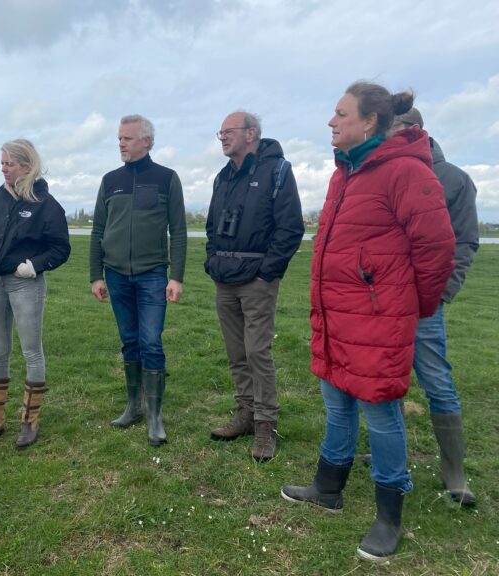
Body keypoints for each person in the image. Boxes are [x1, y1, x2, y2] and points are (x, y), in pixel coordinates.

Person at [280, 82, 455, 561]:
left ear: (369, 121)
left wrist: (403, 307)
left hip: (379, 320)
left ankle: (388, 516)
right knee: (336, 403)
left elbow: (437, 250)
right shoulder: (344, 173)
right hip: (337, 315)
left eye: (340, 114)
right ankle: (327, 488)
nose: (331, 123)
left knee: (380, 413)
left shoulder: (403, 171)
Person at [388, 108, 478, 506]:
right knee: (385, 380)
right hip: (381, 301)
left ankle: (453, 471)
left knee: (437, 381)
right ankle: (392, 453)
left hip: (424, 304)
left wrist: (441, 293)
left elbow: (465, 242)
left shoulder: (454, 179)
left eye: (390, 127)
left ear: (414, 130)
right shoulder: (380, 174)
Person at [205, 111, 304, 461]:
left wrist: (267, 272)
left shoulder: (277, 171)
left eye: (227, 131)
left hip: (257, 280)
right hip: (225, 279)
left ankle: (265, 423)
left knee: (257, 352)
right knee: (236, 353)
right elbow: (212, 225)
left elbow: (290, 228)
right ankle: (245, 413)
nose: (222, 137)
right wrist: (212, 260)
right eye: (220, 132)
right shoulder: (223, 177)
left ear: (251, 134)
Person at [89, 114, 187, 447]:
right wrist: (95, 274)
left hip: (152, 275)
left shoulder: (166, 179)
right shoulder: (110, 180)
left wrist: (177, 277)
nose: (121, 144)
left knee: (151, 342)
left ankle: (155, 416)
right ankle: (134, 406)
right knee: (129, 341)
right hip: (115, 275)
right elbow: (98, 231)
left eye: (127, 138)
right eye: (119, 138)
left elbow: (180, 232)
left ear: (146, 141)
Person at [0, 139, 70, 449]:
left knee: (31, 351)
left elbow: (61, 248)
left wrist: (35, 265)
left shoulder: (45, 203)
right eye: (1, 163)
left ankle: (29, 422)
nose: (3, 168)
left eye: (9, 163)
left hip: (24, 284)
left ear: (27, 166)